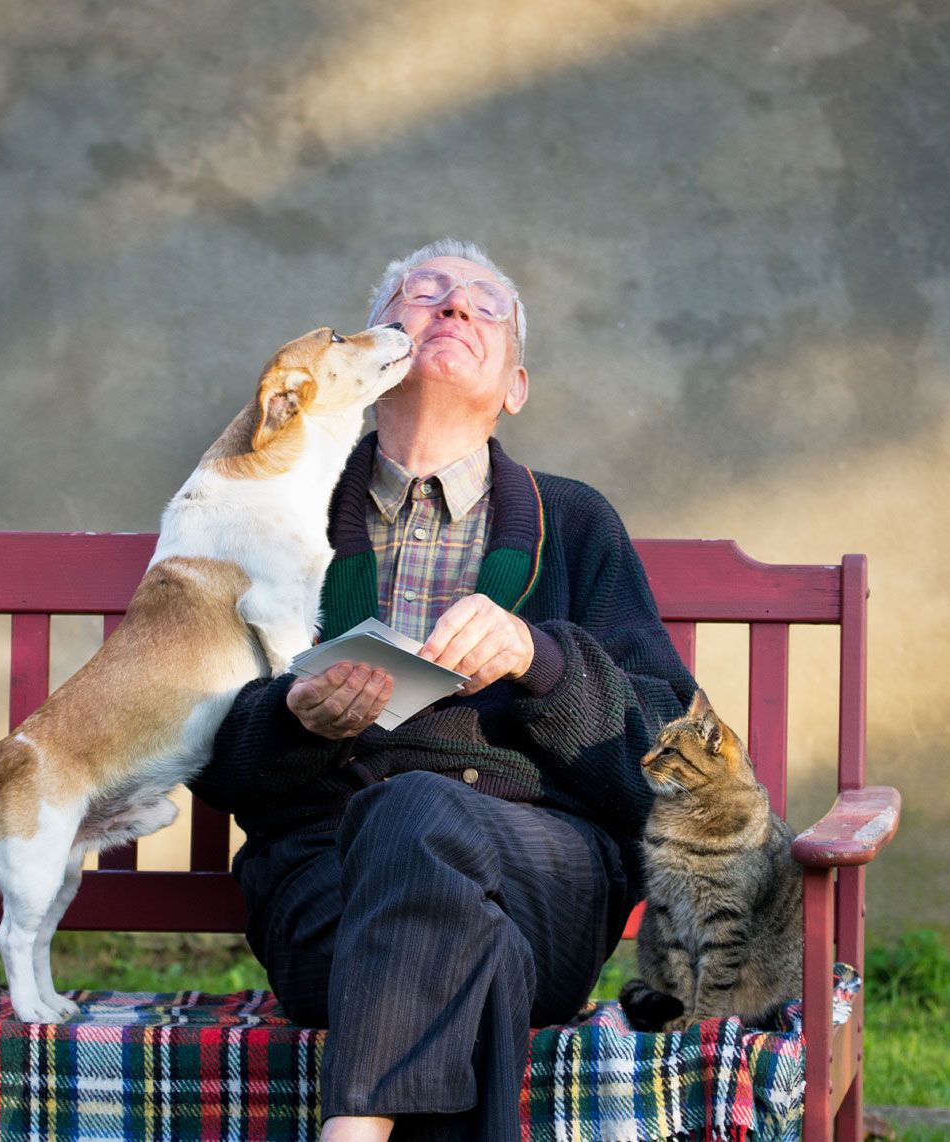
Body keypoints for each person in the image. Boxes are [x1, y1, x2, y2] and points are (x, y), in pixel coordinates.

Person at [190, 239, 696, 1141]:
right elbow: (203, 749)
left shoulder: (576, 523)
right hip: (328, 886)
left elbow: (670, 765)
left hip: (545, 878)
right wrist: (293, 718)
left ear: (515, 387)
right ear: (372, 357)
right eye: (423, 294)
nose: (454, 307)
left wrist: (542, 659)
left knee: (418, 812)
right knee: (474, 954)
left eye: (485, 305)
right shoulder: (273, 517)